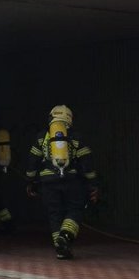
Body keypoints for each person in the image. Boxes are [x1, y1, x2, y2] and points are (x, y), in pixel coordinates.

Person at [25, 105, 97, 259]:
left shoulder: (41, 137)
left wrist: (30, 180)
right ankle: (65, 237)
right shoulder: (76, 137)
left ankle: (60, 248)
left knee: (55, 214)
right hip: (72, 181)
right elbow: (87, 162)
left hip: (48, 183)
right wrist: (92, 183)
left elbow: (32, 160)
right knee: (75, 209)